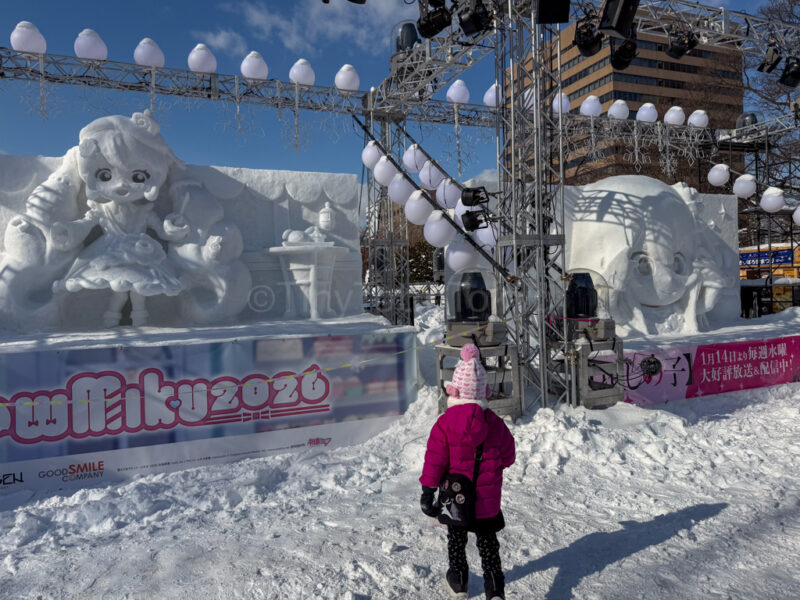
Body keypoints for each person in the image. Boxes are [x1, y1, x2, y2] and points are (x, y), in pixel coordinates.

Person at [419, 344, 516, 600]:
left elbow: (435, 461)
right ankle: (495, 590)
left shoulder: (444, 424)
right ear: (484, 391)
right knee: (488, 545)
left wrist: (428, 491)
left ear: (455, 390)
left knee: (456, 539)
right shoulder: (495, 424)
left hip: (456, 499)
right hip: (487, 501)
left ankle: (459, 582)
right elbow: (509, 457)